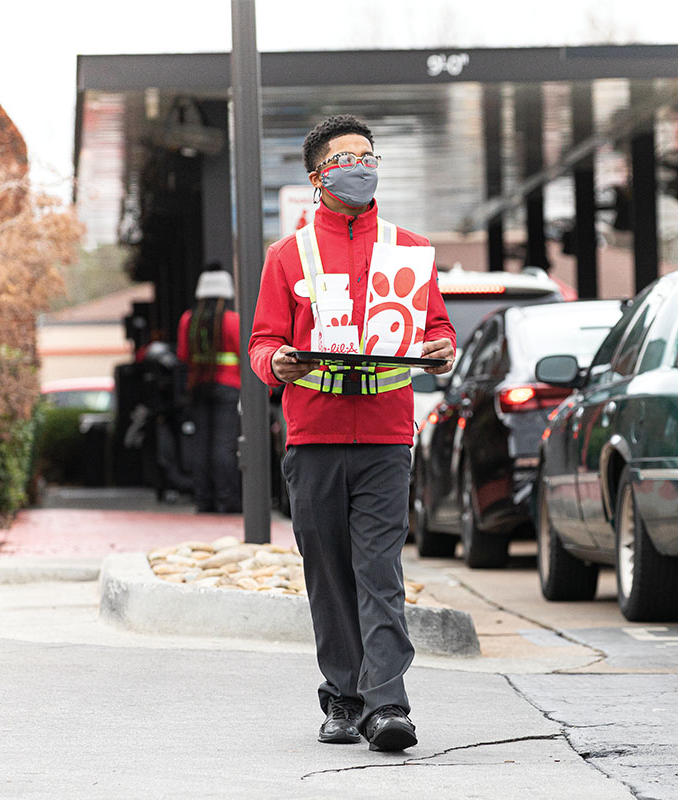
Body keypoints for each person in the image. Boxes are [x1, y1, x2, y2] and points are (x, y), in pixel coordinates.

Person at [248, 114, 455, 753]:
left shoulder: (411, 250)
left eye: (369, 154)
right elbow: (263, 343)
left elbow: (437, 326)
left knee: (379, 569)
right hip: (313, 439)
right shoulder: (289, 255)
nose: (360, 165)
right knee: (330, 572)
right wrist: (276, 364)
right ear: (317, 176)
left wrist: (442, 348)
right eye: (346, 157)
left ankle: (388, 705)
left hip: (387, 439)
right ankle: (343, 697)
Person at [176, 269, 242, 513]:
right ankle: (227, 501)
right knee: (223, 446)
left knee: (200, 445)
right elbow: (243, 355)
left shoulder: (188, 319)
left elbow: (183, 355)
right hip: (228, 387)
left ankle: (203, 500)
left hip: (199, 387)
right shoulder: (232, 320)